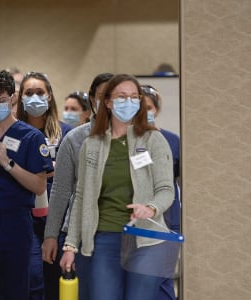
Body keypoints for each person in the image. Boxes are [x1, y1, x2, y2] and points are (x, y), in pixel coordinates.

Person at [60, 74, 175, 300]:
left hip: (146, 239)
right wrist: (70, 246)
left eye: (134, 97)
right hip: (105, 238)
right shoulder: (92, 144)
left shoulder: (153, 139)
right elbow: (81, 196)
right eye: (122, 97)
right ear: (108, 102)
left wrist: (150, 208)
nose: (129, 102)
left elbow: (166, 190)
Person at [0, 70, 53, 300]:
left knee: (14, 290)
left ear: (13, 98)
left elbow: (39, 186)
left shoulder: (31, 137)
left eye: (2, 100)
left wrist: (8, 163)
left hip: (15, 223)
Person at [41, 72, 114, 300]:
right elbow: (61, 190)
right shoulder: (74, 139)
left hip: (118, 232)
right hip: (78, 233)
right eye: (103, 96)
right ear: (92, 99)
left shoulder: (134, 139)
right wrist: (51, 235)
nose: (110, 102)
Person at [16, 71, 73, 300]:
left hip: (58, 217)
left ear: (49, 96)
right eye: (28, 93)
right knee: (32, 278)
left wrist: (54, 168)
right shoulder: (14, 133)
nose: (35, 98)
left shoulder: (66, 133)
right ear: (20, 98)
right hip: (25, 216)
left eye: (40, 92)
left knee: (54, 278)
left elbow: (73, 174)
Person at [142, 84, 181, 300]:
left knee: (163, 282)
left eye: (148, 107)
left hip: (168, 220)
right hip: (136, 221)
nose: (144, 111)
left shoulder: (173, 141)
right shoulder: (125, 140)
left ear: (156, 109)